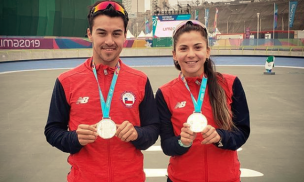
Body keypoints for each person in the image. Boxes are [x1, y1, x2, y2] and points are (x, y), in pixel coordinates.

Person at [44, 1, 159, 181]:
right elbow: (52, 131)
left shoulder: (140, 80)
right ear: (90, 34)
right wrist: (74, 138)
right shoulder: (66, 81)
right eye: (102, 33)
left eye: (116, 34)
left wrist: (137, 134)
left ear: (124, 37)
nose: (109, 41)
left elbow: (153, 130)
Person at [155, 20, 250, 182]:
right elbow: (167, 145)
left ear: (207, 52)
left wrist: (220, 137)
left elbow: (242, 132)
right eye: (183, 48)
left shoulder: (231, 83)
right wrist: (182, 142)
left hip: (226, 178)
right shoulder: (164, 93)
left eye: (197, 47)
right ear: (174, 55)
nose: (191, 54)